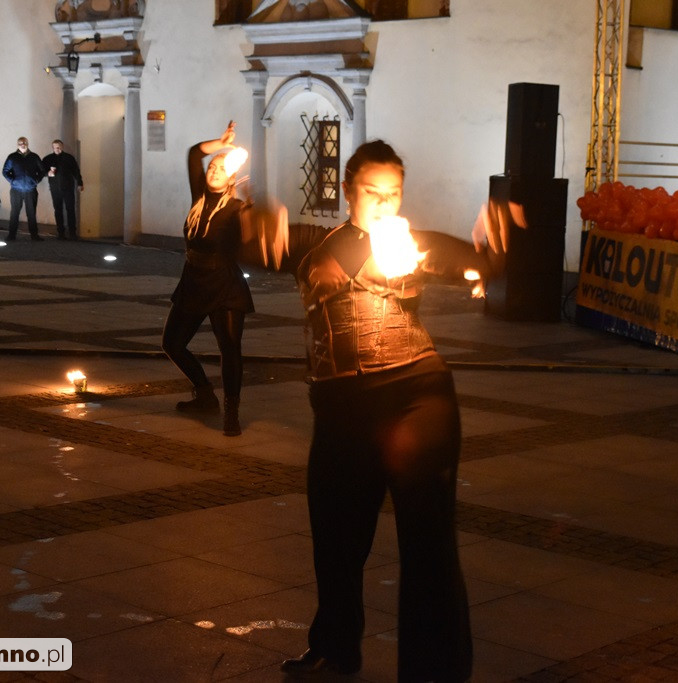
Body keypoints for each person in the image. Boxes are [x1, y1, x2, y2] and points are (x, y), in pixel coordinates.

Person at [280, 140, 494, 682]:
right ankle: (334, 649)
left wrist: (494, 244)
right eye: (372, 192)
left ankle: (434, 672)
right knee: (335, 538)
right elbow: (250, 236)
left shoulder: (411, 241)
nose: (384, 203)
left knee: (429, 544)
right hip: (342, 408)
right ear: (348, 191)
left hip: (417, 396)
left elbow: (474, 260)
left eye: (393, 193)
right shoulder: (313, 242)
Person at [161, 122, 253, 437]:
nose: (214, 170)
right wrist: (221, 142)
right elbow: (192, 154)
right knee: (172, 343)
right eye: (212, 167)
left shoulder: (238, 208)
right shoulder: (199, 197)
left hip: (225, 284)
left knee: (230, 348)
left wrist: (255, 216)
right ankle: (204, 393)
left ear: (231, 177)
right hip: (193, 280)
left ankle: (232, 413)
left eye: (220, 168)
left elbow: (250, 242)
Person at [2, 137, 46, 241]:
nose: (23, 144)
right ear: (17, 144)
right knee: (14, 213)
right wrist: (12, 181)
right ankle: (11, 235)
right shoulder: (12, 157)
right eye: (20, 143)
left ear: (27, 143)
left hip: (30, 190)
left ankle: (34, 236)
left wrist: (35, 181)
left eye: (24, 142)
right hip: (16, 190)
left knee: (31, 213)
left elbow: (42, 171)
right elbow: (5, 171)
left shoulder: (34, 157)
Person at [41, 139, 84, 240]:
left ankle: (72, 233)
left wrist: (80, 183)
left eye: (59, 147)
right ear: (53, 148)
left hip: (68, 188)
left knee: (70, 210)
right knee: (58, 210)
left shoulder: (69, 158)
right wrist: (47, 174)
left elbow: (76, 171)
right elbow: (41, 171)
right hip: (55, 189)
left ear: (62, 147)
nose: (58, 149)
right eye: (56, 147)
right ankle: (60, 233)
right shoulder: (47, 159)